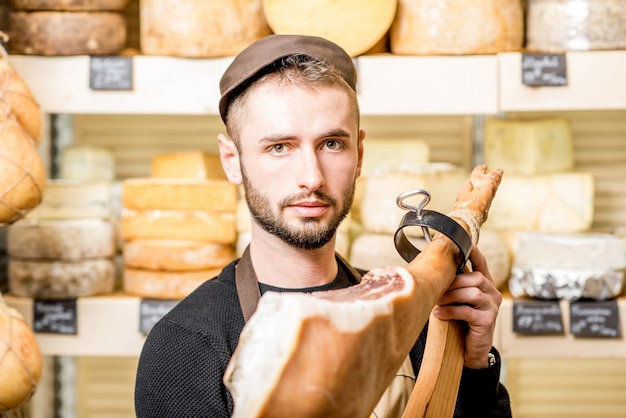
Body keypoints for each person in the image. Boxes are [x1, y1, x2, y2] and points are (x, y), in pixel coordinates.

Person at [134, 34, 511, 418]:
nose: (311, 178)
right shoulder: (184, 347)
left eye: (332, 144)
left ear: (359, 155)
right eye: (279, 147)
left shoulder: (414, 312)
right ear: (232, 160)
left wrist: (475, 366)